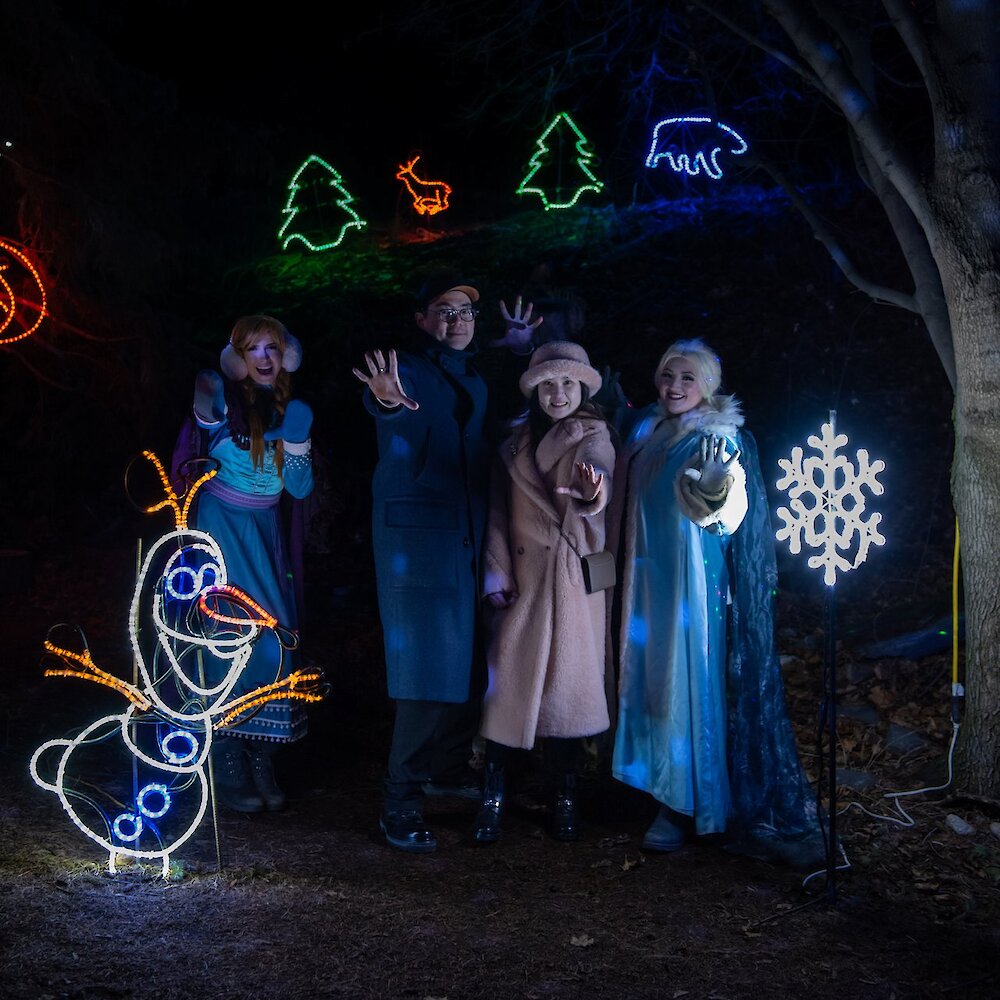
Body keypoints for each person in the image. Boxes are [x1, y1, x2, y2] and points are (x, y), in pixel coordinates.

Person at [608, 338, 827, 869]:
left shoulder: (719, 440)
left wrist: (712, 489)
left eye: (687, 378)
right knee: (648, 682)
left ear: (708, 386)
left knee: (685, 688)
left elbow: (725, 516)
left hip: (689, 589)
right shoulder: (649, 429)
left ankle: (684, 804)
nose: (674, 386)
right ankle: (650, 782)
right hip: (643, 582)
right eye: (667, 376)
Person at [351, 272, 541, 854]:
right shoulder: (404, 368)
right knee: (424, 671)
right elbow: (385, 402)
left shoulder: (470, 373)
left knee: (467, 662)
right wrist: (384, 398)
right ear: (422, 319)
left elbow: (482, 415)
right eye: (444, 310)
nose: (457, 320)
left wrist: (519, 351)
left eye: (465, 312)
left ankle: (447, 768)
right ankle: (400, 801)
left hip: (466, 532)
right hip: (417, 538)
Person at [474, 341, 615, 844]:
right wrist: (494, 572)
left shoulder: (594, 435)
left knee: (567, 693)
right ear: (535, 390)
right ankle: (495, 794)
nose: (558, 394)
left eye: (568, 384)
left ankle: (565, 795)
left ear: (582, 388)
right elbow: (495, 511)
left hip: (570, 581)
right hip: (522, 581)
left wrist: (592, 494)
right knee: (506, 687)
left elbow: (601, 481)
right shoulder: (512, 443)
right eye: (549, 384)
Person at [182, 314, 315, 813]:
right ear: (237, 358)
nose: (264, 358)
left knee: (275, 639)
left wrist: (297, 439)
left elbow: (300, 489)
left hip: (264, 536)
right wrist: (209, 405)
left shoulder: (291, 410)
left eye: (273, 349)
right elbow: (197, 440)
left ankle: (263, 754)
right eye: (254, 349)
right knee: (226, 637)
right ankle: (227, 755)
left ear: (286, 357)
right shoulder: (223, 402)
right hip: (221, 531)